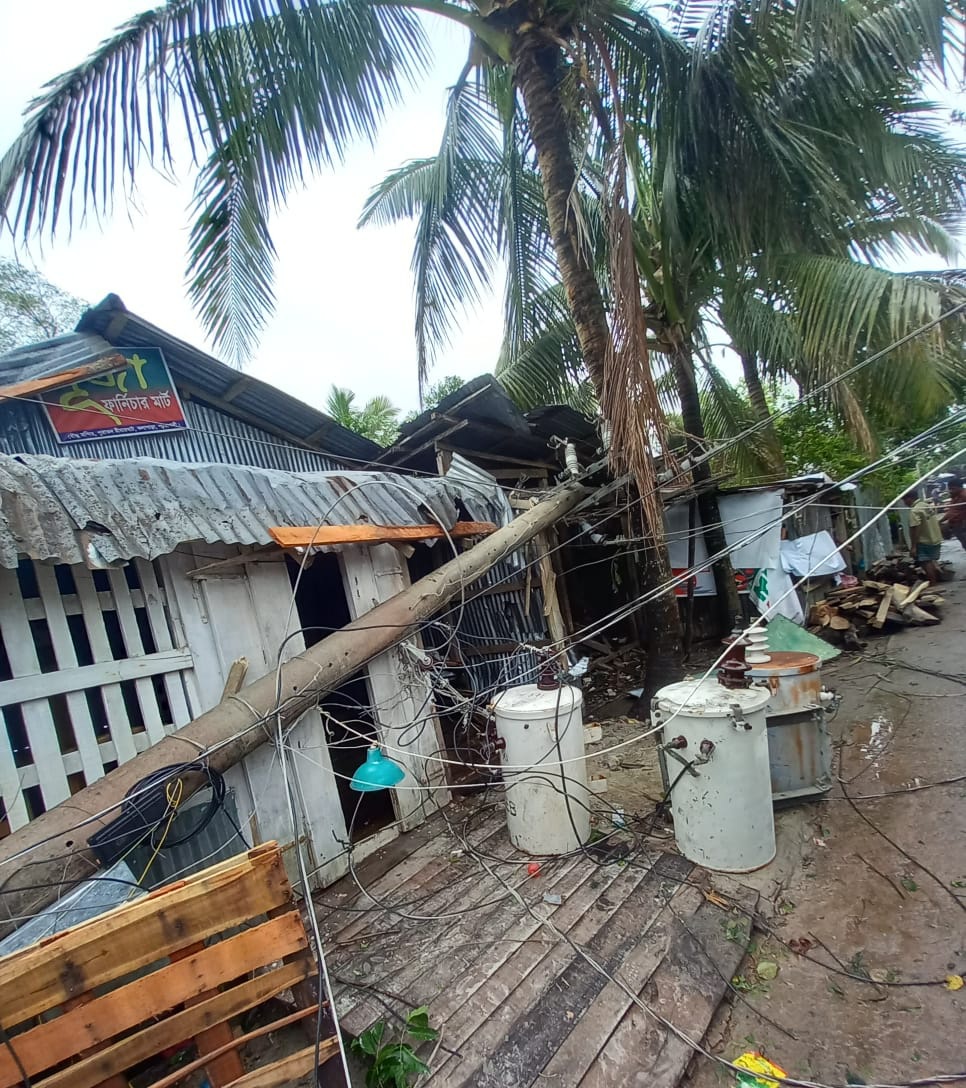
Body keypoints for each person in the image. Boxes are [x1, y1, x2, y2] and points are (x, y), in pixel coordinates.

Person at [901, 488, 943, 584]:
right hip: (935, 538)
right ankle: (937, 577)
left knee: (925, 562)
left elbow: (915, 529)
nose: (904, 503)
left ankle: (933, 582)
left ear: (910, 499)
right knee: (931, 560)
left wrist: (913, 546)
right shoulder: (926, 505)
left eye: (904, 500)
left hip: (924, 540)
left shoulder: (914, 511)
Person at [941, 477, 966, 550]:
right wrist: (941, 521)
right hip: (957, 525)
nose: (950, 491)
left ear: (959, 487)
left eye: (952, 489)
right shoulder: (955, 497)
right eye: (950, 489)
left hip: (962, 525)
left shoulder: (964, 496)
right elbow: (951, 511)